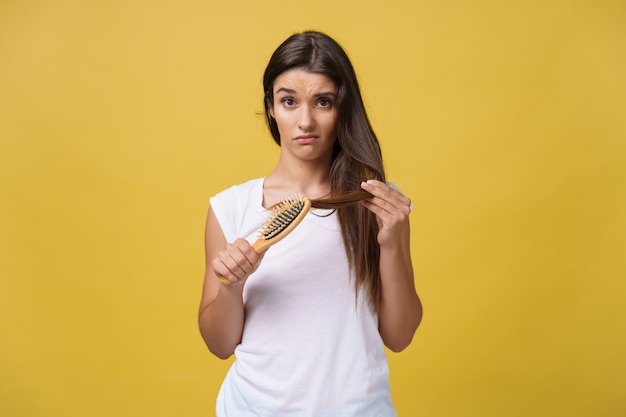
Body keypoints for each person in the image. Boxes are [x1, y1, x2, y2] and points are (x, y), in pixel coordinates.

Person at [198, 30, 422, 417]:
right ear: (271, 107)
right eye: (289, 101)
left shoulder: (378, 203)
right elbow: (219, 345)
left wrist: (392, 243)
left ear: (342, 108)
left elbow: (399, 336)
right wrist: (231, 287)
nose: (305, 121)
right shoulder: (231, 207)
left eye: (323, 102)